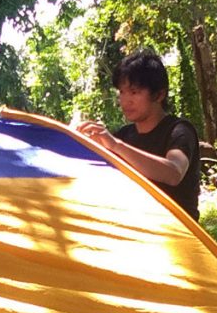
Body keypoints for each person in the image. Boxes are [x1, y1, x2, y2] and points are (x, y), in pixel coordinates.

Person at [76, 49, 201, 220]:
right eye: (121, 92)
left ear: (159, 94)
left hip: (178, 234)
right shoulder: (124, 135)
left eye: (134, 92)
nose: (125, 101)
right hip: (137, 230)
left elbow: (173, 173)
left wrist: (115, 146)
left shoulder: (179, 131)